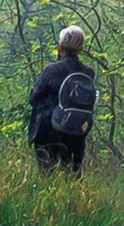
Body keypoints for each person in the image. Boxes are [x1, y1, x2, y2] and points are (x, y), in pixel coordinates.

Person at [27, 25, 98, 173]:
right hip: (76, 132)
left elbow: (34, 98)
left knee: (48, 178)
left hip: (48, 131)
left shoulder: (52, 70)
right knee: (73, 176)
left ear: (60, 47)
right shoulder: (88, 73)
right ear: (80, 49)